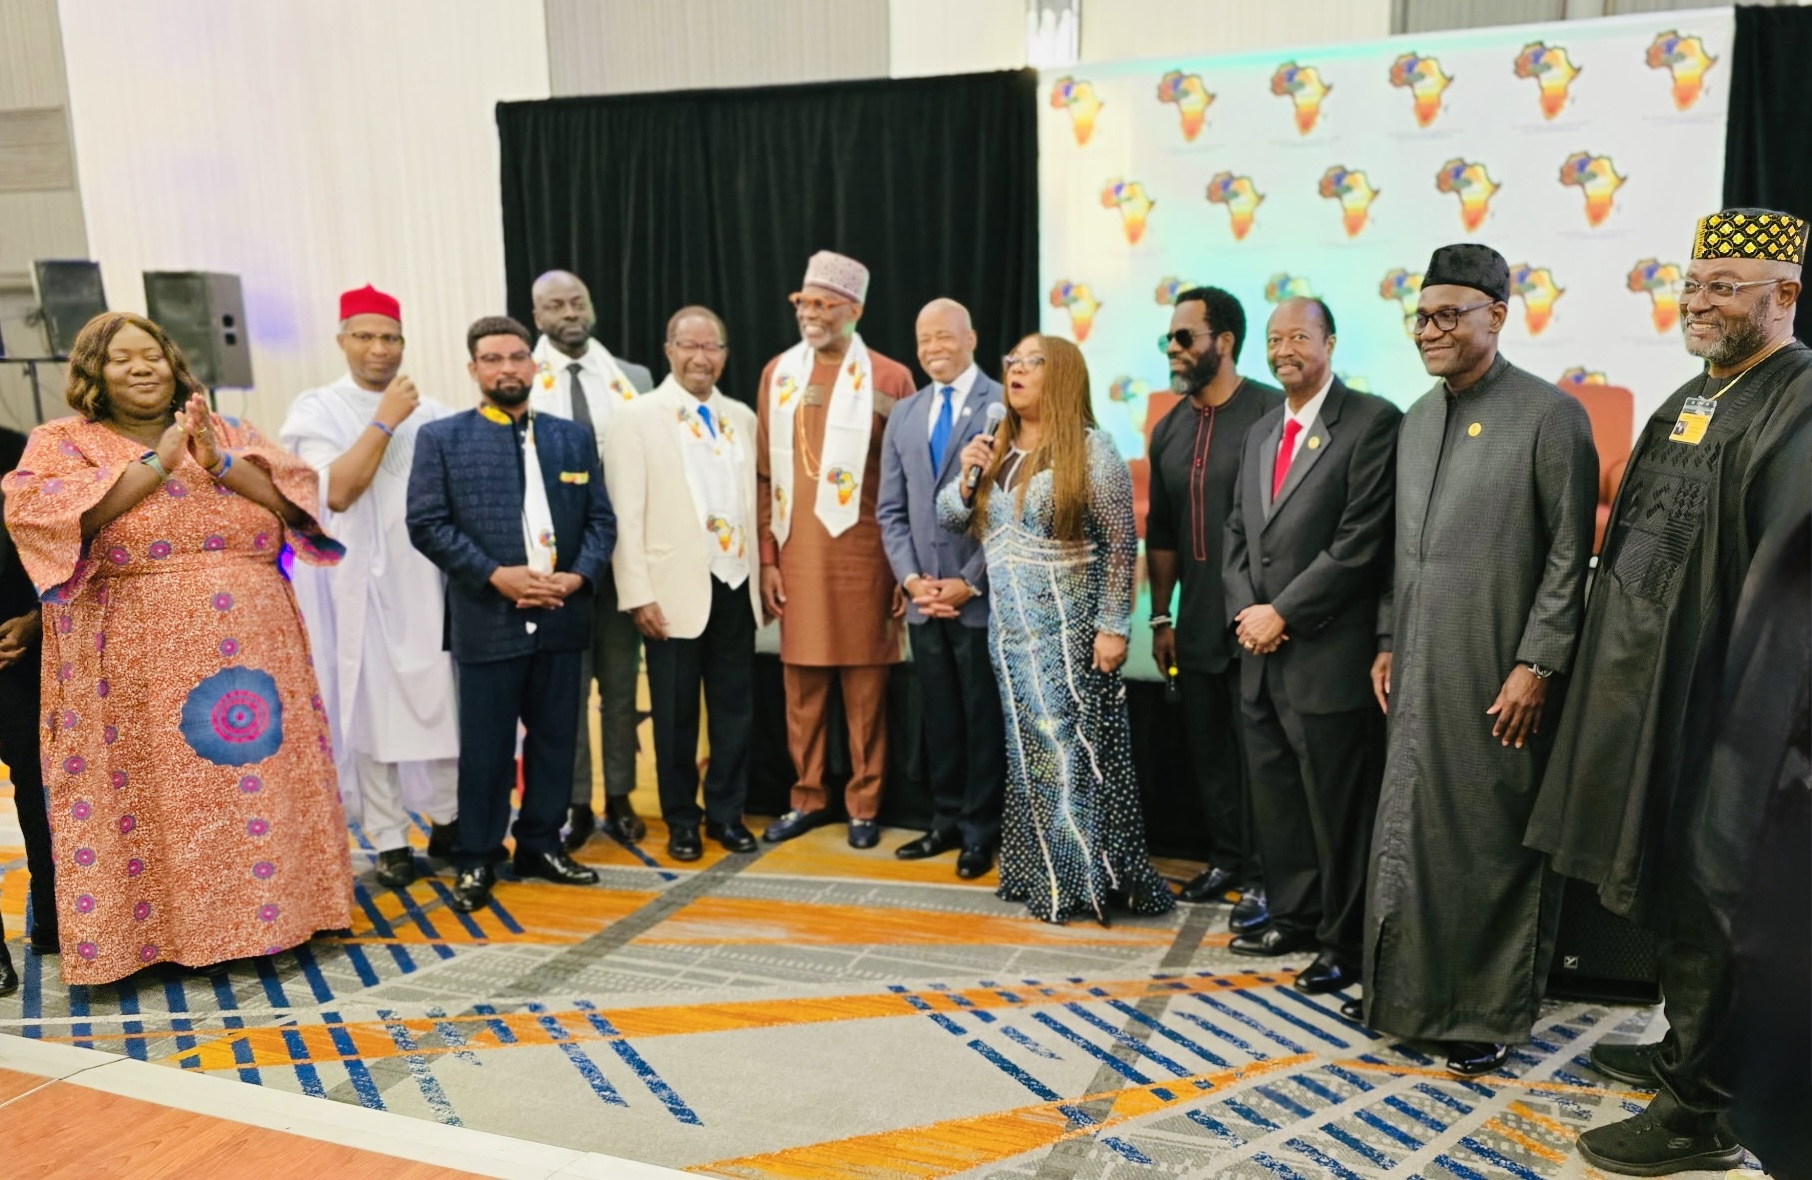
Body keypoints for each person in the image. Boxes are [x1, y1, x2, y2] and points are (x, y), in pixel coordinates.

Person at [1526, 208, 1812, 1175]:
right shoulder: (1698, 393)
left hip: (1735, 712)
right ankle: (1684, 1051)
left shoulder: (1799, 400)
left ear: (1785, 296)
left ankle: (1704, 1113)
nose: (1698, 301)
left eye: (1723, 285)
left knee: (1719, 901)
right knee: (1674, 889)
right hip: (1656, 698)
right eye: (1692, 283)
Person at [2, 312, 352, 985]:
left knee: (254, 793)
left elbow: (292, 498)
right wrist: (159, 463)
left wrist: (216, 461)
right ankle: (157, 936)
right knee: (168, 799)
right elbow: (47, 520)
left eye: (153, 355)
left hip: (253, 664)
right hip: (138, 671)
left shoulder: (227, 431)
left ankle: (273, 918)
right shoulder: (62, 444)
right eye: (122, 359)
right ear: (93, 375)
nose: (142, 367)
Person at [1363, 244, 1597, 1077]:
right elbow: (1400, 552)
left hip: (1499, 670)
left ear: (1497, 316)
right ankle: (1407, 998)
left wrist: (1537, 663)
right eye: (1421, 316)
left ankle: (1484, 1013)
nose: (1430, 330)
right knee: (1413, 834)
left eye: (1448, 314)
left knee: (1488, 838)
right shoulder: (1418, 418)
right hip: (1419, 662)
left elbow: (1572, 556)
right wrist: (1389, 638)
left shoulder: (1549, 414)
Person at [938, 334, 1174, 925]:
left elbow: (1122, 544)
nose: (1015, 371)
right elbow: (949, 518)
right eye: (1010, 361)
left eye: (1031, 363)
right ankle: (1038, 870)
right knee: (1029, 757)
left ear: (1062, 375)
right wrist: (969, 475)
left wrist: (1115, 626)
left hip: (1070, 636)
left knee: (1069, 755)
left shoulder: (1092, 450)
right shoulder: (994, 449)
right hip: (1008, 637)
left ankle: (1083, 882)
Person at [407, 316, 616, 913]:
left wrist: (578, 577)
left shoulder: (570, 438)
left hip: (562, 615)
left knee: (556, 741)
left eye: (516, 357)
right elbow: (426, 524)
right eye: (492, 359)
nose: (506, 369)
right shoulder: (443, 439)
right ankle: (476, 857)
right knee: (487, 749)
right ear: (473, 370)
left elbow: (602, 521)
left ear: (534, 365)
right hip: (486, 617)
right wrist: (496, 576)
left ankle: (541, 845)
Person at [1223, 298, 1397, 997]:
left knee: (1337, 810)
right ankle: (1293, 917)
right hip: (1259, 656)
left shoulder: (1372, 421)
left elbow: (1359, 543)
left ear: (1330, 340)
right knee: (1279, 805)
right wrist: (1247, 613)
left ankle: (1343, 944)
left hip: (1324, 655)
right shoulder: (1263, 429)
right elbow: (1238, 534)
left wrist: (1282, 613)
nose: (1284, 348)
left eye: (1299, 335)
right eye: (1274, 339)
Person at [280, 286, 459, 890]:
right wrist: (385, 418)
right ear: (341, 340)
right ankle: (388, 837)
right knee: (373, 709)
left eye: (390, 338)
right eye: (365, 336)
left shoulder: (431, 410)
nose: (379, 349)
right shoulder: (317, 408)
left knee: (441, 700)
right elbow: (338, 491)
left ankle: (449, 820)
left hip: (428, 580)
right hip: (357, 589)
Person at [756, 251, 914, 849]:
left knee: (866, 692)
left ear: (855, 310)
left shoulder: (891, 377)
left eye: (824, 304)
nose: (812, 314)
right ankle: (808, 797)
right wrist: (768, 560)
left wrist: (907, 567)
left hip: (869, 556)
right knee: (802, 689)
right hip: (797, 557)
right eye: (805, 302)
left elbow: (908, 483)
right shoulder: (777, 373)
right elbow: (765, 478)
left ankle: (864, 805)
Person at [604, 307, 762, 861]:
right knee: (674, 714)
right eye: (689, 346)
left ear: (724, 354)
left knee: (734, 710)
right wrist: (637, 593)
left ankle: (727, 813)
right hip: (669, 590)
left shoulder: (742, 417)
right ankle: (682, 820)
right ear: (669, 350)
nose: (701, 357)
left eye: (712, 347)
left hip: (735, 583)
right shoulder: (637, 418)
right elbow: (624, 513)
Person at [1146, 286, 1281, 927]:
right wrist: (1160, 616)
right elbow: (1164, 531)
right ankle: (1228, 860)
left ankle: (1267, 877)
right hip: (1195, 622)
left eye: (1185, 338)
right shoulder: (1168, 428)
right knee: (1210, 754)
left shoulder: (1273, 414)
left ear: (1223, 343)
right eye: (1169, 339)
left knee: (1262, 754)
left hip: (1262, 625)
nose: (1173, 350)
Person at [877, 298, 1006, 878]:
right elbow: (891, 513)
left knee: (982, 719)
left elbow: (1012, 511)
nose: (933, 348)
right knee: (939, 717)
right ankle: (944, 820)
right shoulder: (904, 414)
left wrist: (968, 583)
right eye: (924, 338)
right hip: (923, 604)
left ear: (971, 338)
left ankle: (982, 830)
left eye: (945, 337)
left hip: (980, 600)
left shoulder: (1005, 406)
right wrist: (911, 583)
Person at [529, 269, 653, 850]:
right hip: (559, 566)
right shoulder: (522, 380)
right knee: (567, 691)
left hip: (622, 560)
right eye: (556, 305)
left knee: (623, 687)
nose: (570, 312)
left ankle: (621, 797)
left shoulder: (633, 378)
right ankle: (576, 804)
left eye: (578, 301)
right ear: (538, 318)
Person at [1, 424, 54, 995]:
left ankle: (53, 918)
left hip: (20, 645)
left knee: (41, 786)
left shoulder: (22, 447)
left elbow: (66, 549)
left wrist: (36, 623)